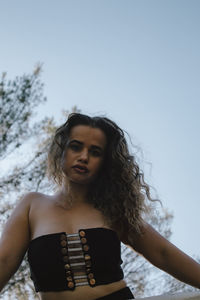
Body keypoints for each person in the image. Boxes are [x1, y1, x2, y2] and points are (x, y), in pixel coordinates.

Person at [0, 113, 200, 300]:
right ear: (62, 149)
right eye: (76, 146)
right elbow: (5, 260)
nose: (84, 157)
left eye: (95, 152)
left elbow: (162, 253)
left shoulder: (112, 209)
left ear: (105, 163)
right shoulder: (32, 205)